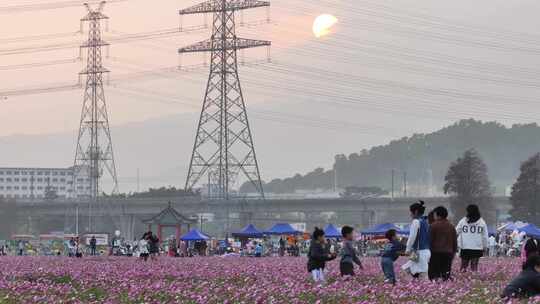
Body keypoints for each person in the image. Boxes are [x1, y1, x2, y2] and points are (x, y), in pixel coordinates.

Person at [402, 200, 431, 279]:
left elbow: (412, 237)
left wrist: (407, 249)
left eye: (411, 212)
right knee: (407, 269)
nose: (410, 214)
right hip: (424, 251)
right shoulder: (425, 221)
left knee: (423, 275)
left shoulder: (416, 221)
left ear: (416, 212)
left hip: (418, 253)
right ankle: (412, 287)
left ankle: (417, 288)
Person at [456, 204, 488, 272]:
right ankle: (474, 280)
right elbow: (485, 236)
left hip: (465, 247)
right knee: (474, 266)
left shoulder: (463, 221)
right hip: (477, 247)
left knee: (463, 266)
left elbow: (456, 232)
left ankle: (461, 280)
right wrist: (485, 246)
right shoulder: (482, 222)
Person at [429, 206, 457, 281]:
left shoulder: (433, 226)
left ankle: (436, 289)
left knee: (435, 274)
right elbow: (454, 241)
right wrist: (453, 252)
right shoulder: (451, 226)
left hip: (435, 253)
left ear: (438, 215)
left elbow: (430, 240)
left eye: (434, 214)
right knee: (445, 274)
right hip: (448, 253)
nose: (434, 216)